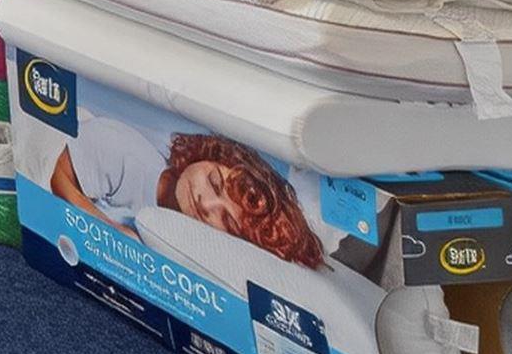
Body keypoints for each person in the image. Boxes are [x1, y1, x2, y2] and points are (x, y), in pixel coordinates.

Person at [49, 115, 324, 268]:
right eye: (215, 183)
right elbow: (58, 177)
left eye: (226, 220)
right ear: (212, 156)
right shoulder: (125, 153)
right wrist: (109, 230)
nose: (207, 204)